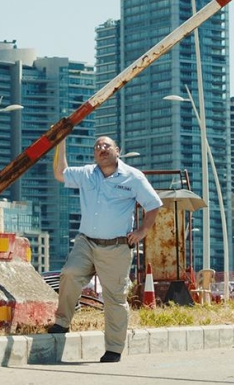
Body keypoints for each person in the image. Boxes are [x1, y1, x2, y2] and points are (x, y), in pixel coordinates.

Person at [47, 135, 162, 363]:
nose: (101, 149)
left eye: (106, 145)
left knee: (114, 298)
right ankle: (62, 323)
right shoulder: (87, 173)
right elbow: (61, 173)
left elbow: (154, 204)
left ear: (117, 150)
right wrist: (60, 142)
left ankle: (114, 348)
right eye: (97, 146)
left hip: (116, 247)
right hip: (86, 242)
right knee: (69, 274)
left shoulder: (133, 177)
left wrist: (142, 232)